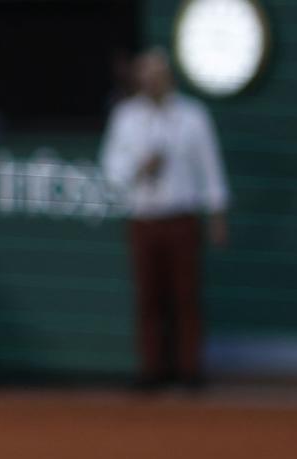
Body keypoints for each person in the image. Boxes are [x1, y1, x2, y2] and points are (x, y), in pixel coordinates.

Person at [101, 47, 230, 390]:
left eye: (157, 74)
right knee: (148, 297)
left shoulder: (193, 116)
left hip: (181, 217)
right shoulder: (125, 117)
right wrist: (138, 168)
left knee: (186, 296)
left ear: (168, 76)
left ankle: (189, 369)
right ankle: (152, 370)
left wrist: (217, 213)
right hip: (143, 218)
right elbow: (112, 170)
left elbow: (210, 167)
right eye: (145, 75)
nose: (151, 81)